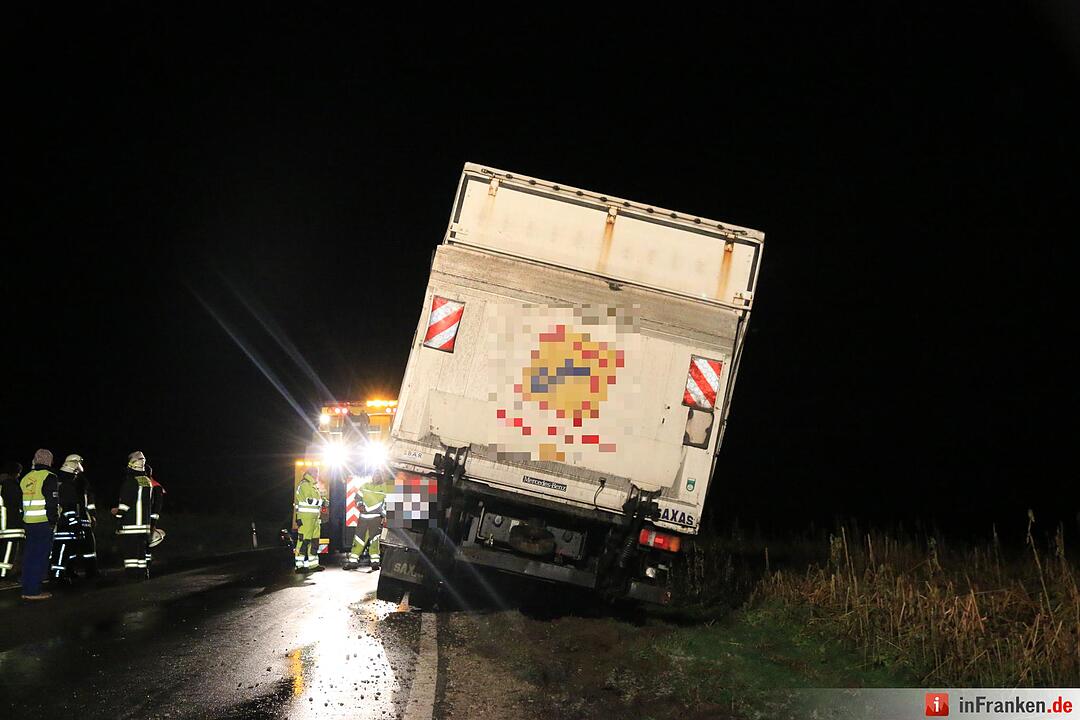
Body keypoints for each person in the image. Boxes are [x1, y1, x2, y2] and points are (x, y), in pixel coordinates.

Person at [20, 449, 59, 600]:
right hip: (43, 523)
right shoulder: (49, 477)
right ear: (49, 461)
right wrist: (53, 521)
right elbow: (52, 502)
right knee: (40, 557)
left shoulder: (26, 477)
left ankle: (27, 588)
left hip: (28, 523)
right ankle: (33, 591)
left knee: (29, 556)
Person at [113, 451, 157, 579]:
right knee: (141, 554)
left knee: (131, 554)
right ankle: (142, 574)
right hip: (144, 527)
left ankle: (132, 576)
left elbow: (124, 505)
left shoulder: (130, 482)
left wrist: (118, 518)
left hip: (131, 526)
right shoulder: (146, 481)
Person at [49, 454, 85, 583]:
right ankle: (57, 576)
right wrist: (76, 524)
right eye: (76, 473)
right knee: (62, 551)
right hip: (65, 526)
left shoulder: (60, 482)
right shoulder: (67, 486)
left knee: (66, 551)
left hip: (60, 524)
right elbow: (68, 507)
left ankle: (67, 571)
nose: (77, 476)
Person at [293, 466, 325, 572]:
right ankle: (299, 565)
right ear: (310, 473)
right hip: (306, 519)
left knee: (314, 542)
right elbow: (309, 500)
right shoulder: (305, 485)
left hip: (314, 519)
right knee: (303, 541)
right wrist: (322, 502)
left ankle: (313, 564)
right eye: (316, 472)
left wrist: (322, 500)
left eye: (317, 472)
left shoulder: (313, 486)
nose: (317, 475)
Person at [343, 491, 385, 571]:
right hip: (365, 518)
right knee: (359, 540)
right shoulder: (366, 486)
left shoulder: (385, 487)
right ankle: (353, 562)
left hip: (375, 518)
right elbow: (358, 497)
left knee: (374, 540)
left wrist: (385, 515)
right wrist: (360, 504)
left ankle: (375, 563)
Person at [0, 462, 25, 580]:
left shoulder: (4, 484)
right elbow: (16, 503)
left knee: (6, 548)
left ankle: (5, 572)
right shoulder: (11, 485)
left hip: (5, 522)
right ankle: (4, 574)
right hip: (11, 523)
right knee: (9, 549)